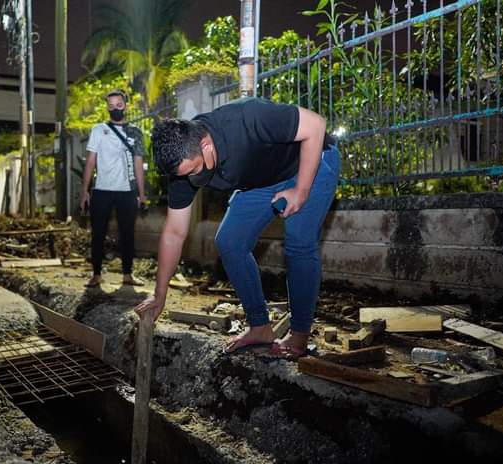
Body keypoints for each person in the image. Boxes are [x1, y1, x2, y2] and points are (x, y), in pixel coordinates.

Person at [134, 97, 339, 359]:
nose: (190, 180)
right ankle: (260, 327)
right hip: (264, 179)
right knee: (230, 242)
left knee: (299, 241)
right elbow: (174, 233)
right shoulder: (183, 169)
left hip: (313, 159)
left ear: (205, 145)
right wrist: (159, 295)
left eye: (193, 170)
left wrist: (301, 190)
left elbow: (315, 125)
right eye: (183, 175)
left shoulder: (246, 118)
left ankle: (299, 335)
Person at [79, 90, 147, 288]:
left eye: (118, 105)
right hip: (102, 191)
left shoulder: (135, 132)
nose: (115, 109)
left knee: (128, 233)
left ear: (126, 106)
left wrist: (142, 194)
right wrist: (85, 190)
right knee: (97, 233)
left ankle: (127, 274)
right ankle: (96, 274)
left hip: (127, 192)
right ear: (107, 108)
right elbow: (90, 162)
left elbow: (138, 164)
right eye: (111, 106)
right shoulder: (98, 130)